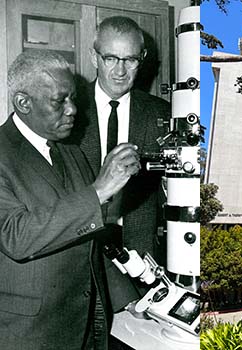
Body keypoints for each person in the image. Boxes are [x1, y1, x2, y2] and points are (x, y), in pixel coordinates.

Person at [0, 50, 141, 349]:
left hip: (84, 328)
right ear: (23, 103)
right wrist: (99, 191)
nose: (73, 110)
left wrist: (130, 301)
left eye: (73, 98)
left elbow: (87, 235)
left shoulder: (70, 151)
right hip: (27, 334)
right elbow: (15, 236)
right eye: (59, 101)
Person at [69, 16, 170, 313]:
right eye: (111, 58)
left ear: (142, 60)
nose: (120, 70)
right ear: (93, 57)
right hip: (79, 260)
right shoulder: (67, 111)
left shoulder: (160, 114)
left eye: (130, 60)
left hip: (142, 264)